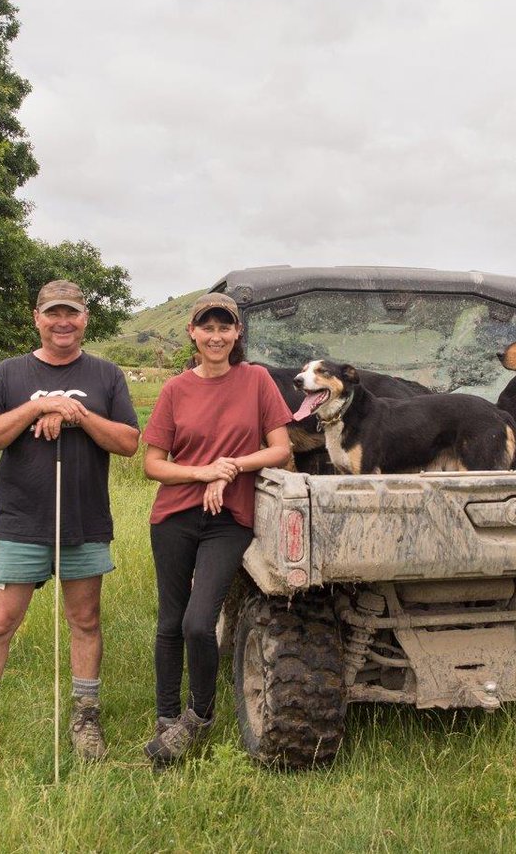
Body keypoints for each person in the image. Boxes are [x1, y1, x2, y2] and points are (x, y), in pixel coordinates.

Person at [0, 279, 141, 769]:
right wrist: (39, 405)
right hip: (20, 523)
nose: (62, 322)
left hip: (84, 521)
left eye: (71, 313)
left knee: (85, 621)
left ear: (85, 318)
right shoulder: (9, 373)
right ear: (37, 318)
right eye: (53, 313)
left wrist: (75, 413)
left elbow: (129, 441)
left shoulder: (107, 375)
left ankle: (86, 718)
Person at [141, 291, 293, 765]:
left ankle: (199, 716)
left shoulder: (256, 381)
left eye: (224, 327)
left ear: (236, 334)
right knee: (170, 620)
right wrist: (201, 473)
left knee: (197, 620)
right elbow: (153, 464)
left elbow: (280, 449)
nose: (216, 336)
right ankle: (168, 717)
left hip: (228, 521)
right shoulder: (174, 390)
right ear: (193, 333)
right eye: (207, 327)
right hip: (173, 517)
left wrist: (229, 467)